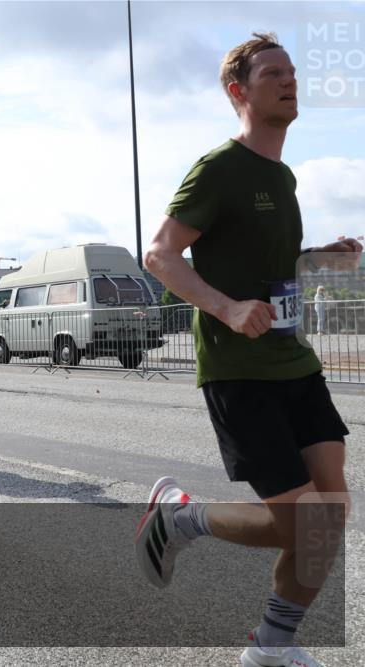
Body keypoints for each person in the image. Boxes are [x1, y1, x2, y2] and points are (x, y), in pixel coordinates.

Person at [138, 33, 361, 667]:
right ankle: (182, 518)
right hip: (240, 372)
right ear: (239, 91)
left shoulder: (281, 174)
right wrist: (227, 309)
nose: (289, 81)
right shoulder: (220, 169)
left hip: (295, 362)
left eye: (292, 72)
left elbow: (272, 266)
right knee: (303, 525)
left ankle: (271, 647)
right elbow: (159, 253)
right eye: (272, 74)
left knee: (332, 512)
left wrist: (320, 257)